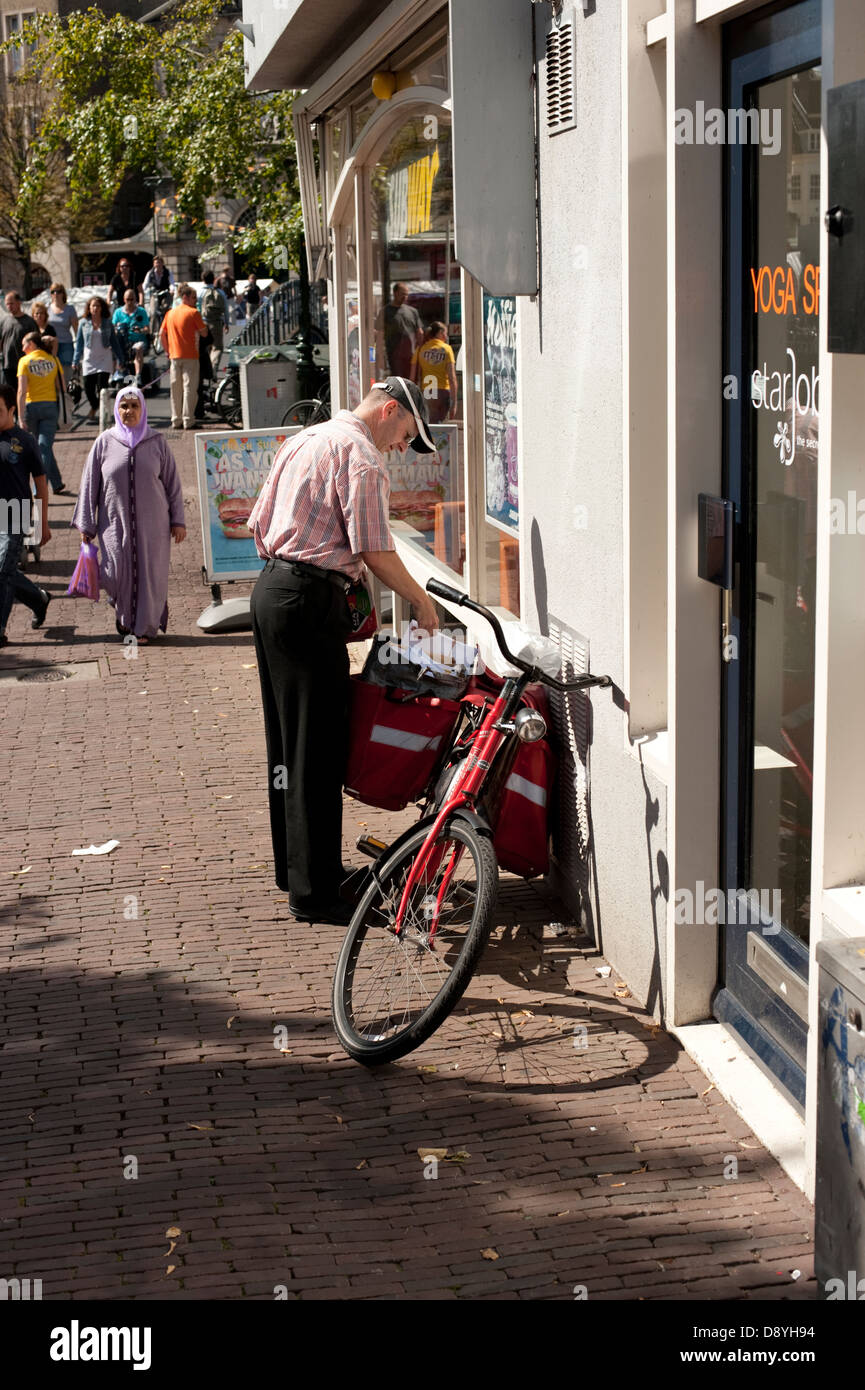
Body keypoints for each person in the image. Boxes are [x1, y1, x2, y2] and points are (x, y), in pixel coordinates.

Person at [247, 375, 439, 926]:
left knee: (288, 742)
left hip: (273, 591)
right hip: (307, 601)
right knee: (317, 746)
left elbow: (258, 523)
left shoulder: (308, 438)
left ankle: (300, 871)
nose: (404, 447)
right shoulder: (360, 456)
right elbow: (374, 548)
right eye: (408, 432)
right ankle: (316, 894)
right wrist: (421, 603)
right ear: (390, 410)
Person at [72, 386, 186, 643]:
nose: (129, 411)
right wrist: (86, 525)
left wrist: (178, 520)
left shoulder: (157, 442)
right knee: (113, 574)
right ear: (116, 410)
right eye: (124, 406)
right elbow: (90, 484)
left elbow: (173, 484)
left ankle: (144, 627)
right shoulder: (104, 442)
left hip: (153, 525)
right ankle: (124, 615)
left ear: (143, 409)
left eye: (135, 406)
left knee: (149, 576)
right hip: (113, 524)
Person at [0, 382, 51, 646]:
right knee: (3, 570)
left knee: (3, 571)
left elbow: (41, 484)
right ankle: (38, 598)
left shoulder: (26, 441)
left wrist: (42, 523)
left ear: (11, 409)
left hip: (16, 513)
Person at [17, 332, 65, 495]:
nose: (22, 348)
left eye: (24, 344)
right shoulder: (53, 360)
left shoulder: (24, 361)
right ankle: (56, 482)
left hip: (31, 408)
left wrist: (21, 417)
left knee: (42, 447)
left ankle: (40, 487)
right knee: (44, 447)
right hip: (50, 406)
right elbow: (61, 387)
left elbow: (21, 391)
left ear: (31, 344)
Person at [160, 282, 206, 430]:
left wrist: (167, 351)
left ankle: (176, 419)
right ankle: (188, 419)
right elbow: (204, 332)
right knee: (189, 389)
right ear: (185, 297)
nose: (195, 301)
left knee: (175, 390)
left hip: (174, 356)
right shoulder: (193, 313)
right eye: (193, 298)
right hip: (190, 355)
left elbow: (162, 334)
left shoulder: (170, 313)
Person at [72, 297, 122, 421]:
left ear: (101, 308)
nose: (95, 308)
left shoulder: (107, 322)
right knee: (88, 389)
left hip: (104, 359)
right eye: (93, 306)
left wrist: (120, 358)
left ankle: (104, 414)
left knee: (102, 388)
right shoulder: (83, 322)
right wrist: (75, 360)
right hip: (89, 359)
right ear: (89, 308)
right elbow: (79, 343)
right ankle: (94, 406)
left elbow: (114, 342)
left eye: (98, 306)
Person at [411, 321, 458, 423]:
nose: (446, 336)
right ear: (440, 333)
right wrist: (454, 403)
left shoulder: (421, 349)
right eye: (445, 333)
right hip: (443, 391)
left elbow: (412, 376)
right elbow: (452, 377)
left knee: (429, 425)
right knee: (442, 427)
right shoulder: (447, 349)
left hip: (428, 390)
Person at [379, 282, 421, 379]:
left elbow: (419, 332)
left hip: (411, 356)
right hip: (394, 355)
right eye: (402, 294)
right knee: (398, 382)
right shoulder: (386, 311)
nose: (405, 297)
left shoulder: (413, 311)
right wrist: (380, 356)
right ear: (395, 293)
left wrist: (420, 351)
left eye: (406, 294)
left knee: (411, 382)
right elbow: (380, 335)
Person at [0, 292, 38, 388]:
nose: (9, 306)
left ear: (19, 302)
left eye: (11, 303)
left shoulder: (29, 322)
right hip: (7, 365)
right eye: (7, 304)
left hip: (25, 365)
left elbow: (37, 344)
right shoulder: (4, 321)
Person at [112, 288, 150, 384]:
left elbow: (147, 329)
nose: (130, 302)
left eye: (132, 299)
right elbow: (113, 327)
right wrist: (116, 330)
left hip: (137, 340)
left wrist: (140, 330)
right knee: (112, 349)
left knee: (138, 348)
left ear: (135, 299)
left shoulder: (141, 312)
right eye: (127, 299)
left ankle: (138, 376)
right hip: (122, 340)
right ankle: (115, 373)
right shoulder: (118, 312)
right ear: (124, 300)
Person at [198, 270, 230, 372]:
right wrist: (226, 323)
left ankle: (204, 370)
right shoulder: (220, 292)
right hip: (216, 322)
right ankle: (213, 368)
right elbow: (225, 309)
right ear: (214, 279)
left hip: (202, 322)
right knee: (217, 347)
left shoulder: (199, 292)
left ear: (203, 279)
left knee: (204, 348)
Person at [47, 283, 79, 371]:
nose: (56, 294)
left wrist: (79, 347)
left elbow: (76, 329)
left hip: (66, 344)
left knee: (66, 371)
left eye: (58, 291)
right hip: (51, 345)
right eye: (53, 292)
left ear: (63, 294)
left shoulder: (70, 309)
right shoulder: (47, 309)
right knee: (51, 371)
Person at [142, 254, 175, 333]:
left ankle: (167, 329)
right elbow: (145, 284)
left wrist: (172, 290)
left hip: (165, 293)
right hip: (155, 294)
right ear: (154, 264)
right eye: (156, 263)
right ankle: (152, 333)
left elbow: (172, 283)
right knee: (153, 312)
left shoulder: (167, 272)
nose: (158, 265)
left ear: (162, 263)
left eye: (159, 263)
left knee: (165, 308)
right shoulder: (150, 273)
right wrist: (144, 291)